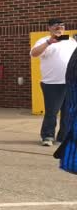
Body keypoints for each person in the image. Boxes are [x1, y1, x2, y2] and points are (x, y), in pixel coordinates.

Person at [30, 18, 77, 146]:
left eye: (62, 25)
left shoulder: (71, 41)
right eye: (56, 26)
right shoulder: (44, 41)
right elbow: (34, 54)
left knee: (68, 112)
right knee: (52, 112)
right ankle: (47, 136)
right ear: (49, 28)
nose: (59, 27)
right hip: (52, 84)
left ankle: (63, 137)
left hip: (70, 82)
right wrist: (49, 42)